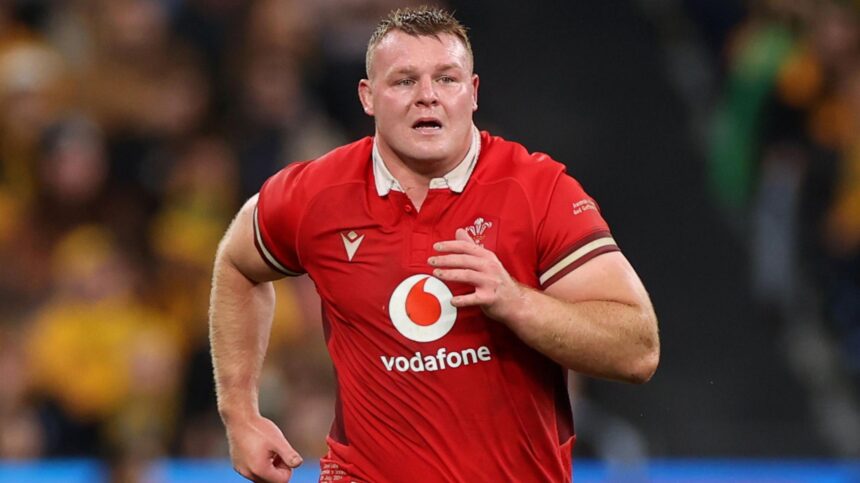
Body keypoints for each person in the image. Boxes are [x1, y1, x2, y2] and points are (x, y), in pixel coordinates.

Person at [209, 6, 660, 482]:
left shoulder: (539, 191)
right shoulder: (317, 194)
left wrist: (517, 302)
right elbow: (237, 263)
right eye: (404, 81)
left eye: (446, 79)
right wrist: (239, 413)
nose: (427, 96)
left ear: (473, 92)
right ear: (367, 96)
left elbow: (638, 349)